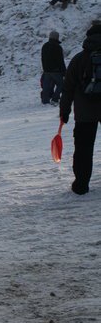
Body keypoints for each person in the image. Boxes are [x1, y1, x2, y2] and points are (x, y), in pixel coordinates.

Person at [59, 22, 101, 195]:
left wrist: (64, 111)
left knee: (83, 149)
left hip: (85, 112)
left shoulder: (79, 59)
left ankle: (81, 185)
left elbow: (68, 88)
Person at [41, 31, 67, 105]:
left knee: (46, 86)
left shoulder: (45, 46)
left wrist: (44, 68)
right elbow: (60, 61)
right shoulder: (57, 47)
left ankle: (45, 100)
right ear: (57, 37)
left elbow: (43, 58)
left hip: (46, 70)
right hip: (56, 71)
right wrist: (64, 72)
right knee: (61, 84)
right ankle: (55, 99)